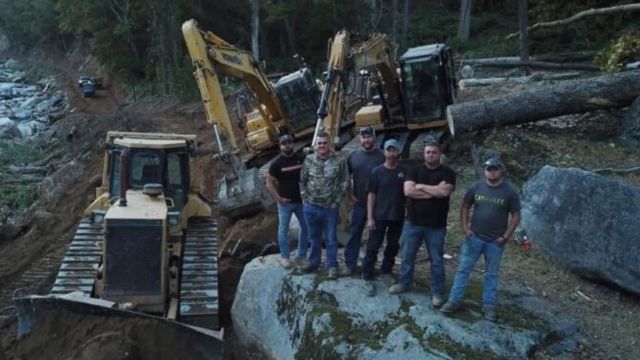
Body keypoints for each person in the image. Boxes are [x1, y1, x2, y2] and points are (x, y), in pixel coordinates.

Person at [440, 157, 521, 322]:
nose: (492, 172)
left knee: (491, 274)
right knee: (463, 270)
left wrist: (506, 236)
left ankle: (489, 306)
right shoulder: (476, 187)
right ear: (484, 170)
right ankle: (454, 300)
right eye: (489, 169)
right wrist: (465, 228)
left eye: (495, 169)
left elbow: (516, 215)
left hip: (495, 242)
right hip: (474, 238)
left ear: (501, 170)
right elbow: (465, 206)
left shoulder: (509, 191)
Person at [389, 141, 455, 309]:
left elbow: (445, 192)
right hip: (413, 223)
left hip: (436, 226)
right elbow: (409, 191)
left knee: (437, 261)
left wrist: (422, 186)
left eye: (433, 152)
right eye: (427, 152)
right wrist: (434, 192)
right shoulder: (414, 170)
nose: (430, 155)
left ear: (439, 154)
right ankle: (405, 283)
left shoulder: (448, 172)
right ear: (424, 154)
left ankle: (437, 292)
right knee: (407, 255)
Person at [300, 132, 349, 279]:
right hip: (311, 207)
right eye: (319, 143)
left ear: (330, 144)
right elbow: (302, 180)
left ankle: (332, 266)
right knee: (314, 237)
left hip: (330, 208)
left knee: (331, 238)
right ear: (315, 145)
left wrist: (337, 201)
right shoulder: (308, 160)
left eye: (324, 143)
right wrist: (304, 199)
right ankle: (313, 262)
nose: (322, 145)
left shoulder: (339, 161)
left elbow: (344, 181)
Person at [362, 139, 406, 296]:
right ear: (384, 152)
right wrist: (369, 217)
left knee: (393, 246)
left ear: (398, 152)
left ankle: (386, 271)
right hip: (379, 216)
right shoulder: (376, 172)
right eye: (389, 150)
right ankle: (367, 276)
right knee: (373, 246)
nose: (391, 153)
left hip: (398, 216)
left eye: (394, 150)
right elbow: (371, 195)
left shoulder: (404, 172)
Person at [343, 126, 385, 276]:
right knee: (354, 234)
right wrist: (349, 194)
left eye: (369, 137)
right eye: (363, 137)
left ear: (374, 137)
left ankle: (369, 266)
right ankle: (350, 264)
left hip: (378, 205)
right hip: (359, 203)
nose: (366, 140)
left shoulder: (382, 156)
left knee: (375, 237)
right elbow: (345, 177)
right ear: (360, 139)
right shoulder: (352, 156)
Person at [266, 133, 308, 269]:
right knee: (283, 229)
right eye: (284, 144)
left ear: (293, 144)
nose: (287, 145)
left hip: (301, 201)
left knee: (306, 227)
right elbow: (269, 182)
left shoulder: (301, 158)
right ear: (280, 146)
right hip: (285, 203)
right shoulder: (276, 163)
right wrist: (277, 198)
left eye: (289, 142)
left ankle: (301, 255)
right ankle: (285, 257)